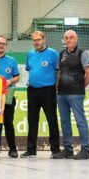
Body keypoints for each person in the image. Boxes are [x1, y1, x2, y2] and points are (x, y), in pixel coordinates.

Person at [57, 29, 89, 160]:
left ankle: (86, 150)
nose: (69, 39)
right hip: (61, 94)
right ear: (64, 40)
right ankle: (68, 150)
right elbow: (59, 72)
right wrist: (57, 86)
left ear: (76, 39)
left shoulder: (83, 54)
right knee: (65, 122)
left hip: (76, 94)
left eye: (71, 37)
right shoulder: (62, 54)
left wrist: (81, 86)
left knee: (80, 121)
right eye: (66, 37)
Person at [23, 30, 61, 158]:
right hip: (32, 90)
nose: (36, 42)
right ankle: (31, 149)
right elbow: (30, 70)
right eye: (34, 40)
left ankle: (55, 150)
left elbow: (58, 70)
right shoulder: (30, 54)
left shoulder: (52, 53)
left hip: (48, 90)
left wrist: (56, 85)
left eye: (38, 40)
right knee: (32, 120)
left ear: (44, 39)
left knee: (52, 120)